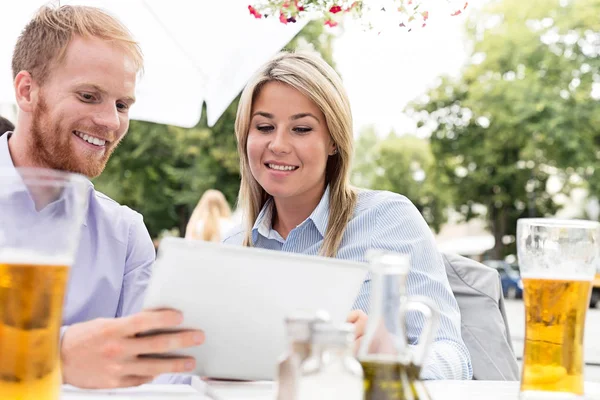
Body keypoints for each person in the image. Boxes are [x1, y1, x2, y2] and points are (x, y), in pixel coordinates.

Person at [224, 51, 473, 380]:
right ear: (246, 137)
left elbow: (453, 355)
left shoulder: (390, 219)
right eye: (265, 126)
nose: (279, 144)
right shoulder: (230, 247)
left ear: (333, 142)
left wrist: (390, 359)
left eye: (301, 128)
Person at [4, 5, 203, 388]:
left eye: (122, 105)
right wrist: (53, 355)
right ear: (27, 91)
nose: (111, 122)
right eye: (89, 96)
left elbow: (157, 376)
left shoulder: (125, 235)